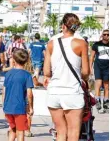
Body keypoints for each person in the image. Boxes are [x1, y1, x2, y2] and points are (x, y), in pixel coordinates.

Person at [43, 13, 89, 141]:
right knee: (73, 133)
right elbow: (86, 71)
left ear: (63, 26)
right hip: (72, 92)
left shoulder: (51, 43)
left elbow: (46, 71)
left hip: (54, 92)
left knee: (60, 132)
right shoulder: (81, 43)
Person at [2, 49, 34, 141]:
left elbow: (4, 90)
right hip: (19, 108)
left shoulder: (8, 74)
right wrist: (30, 107)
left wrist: (4, 105)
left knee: (12, 129)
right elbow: (29, 93)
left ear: (14, 60)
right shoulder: (27, 75)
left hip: (8, 107)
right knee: (20, 131)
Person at [90, 29, 109, 112]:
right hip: (98, 67)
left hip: (107, 68)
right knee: (98, 84)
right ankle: (97, 101)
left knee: (106, 86)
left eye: (108, 34)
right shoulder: (96, 45)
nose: (106, 36)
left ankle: (105, 102)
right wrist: (90, 68)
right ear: (102, 35)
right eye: (104, 34)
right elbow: (92, 57)